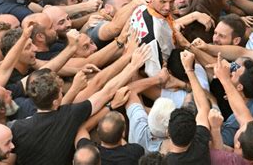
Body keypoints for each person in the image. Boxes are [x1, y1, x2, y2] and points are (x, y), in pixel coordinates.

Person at [10, 45, 150, 164]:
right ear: (55, 101)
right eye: (61, 93)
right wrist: (133, 65)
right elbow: (106, 92)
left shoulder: (17, 128)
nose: (63, 94)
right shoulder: (69, 115)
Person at [130, 0, 177, 77]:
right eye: (163, 2)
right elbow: (153, 73)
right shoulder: (155, 31)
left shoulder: (141, 8)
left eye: (172, 1)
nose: (168, 7)